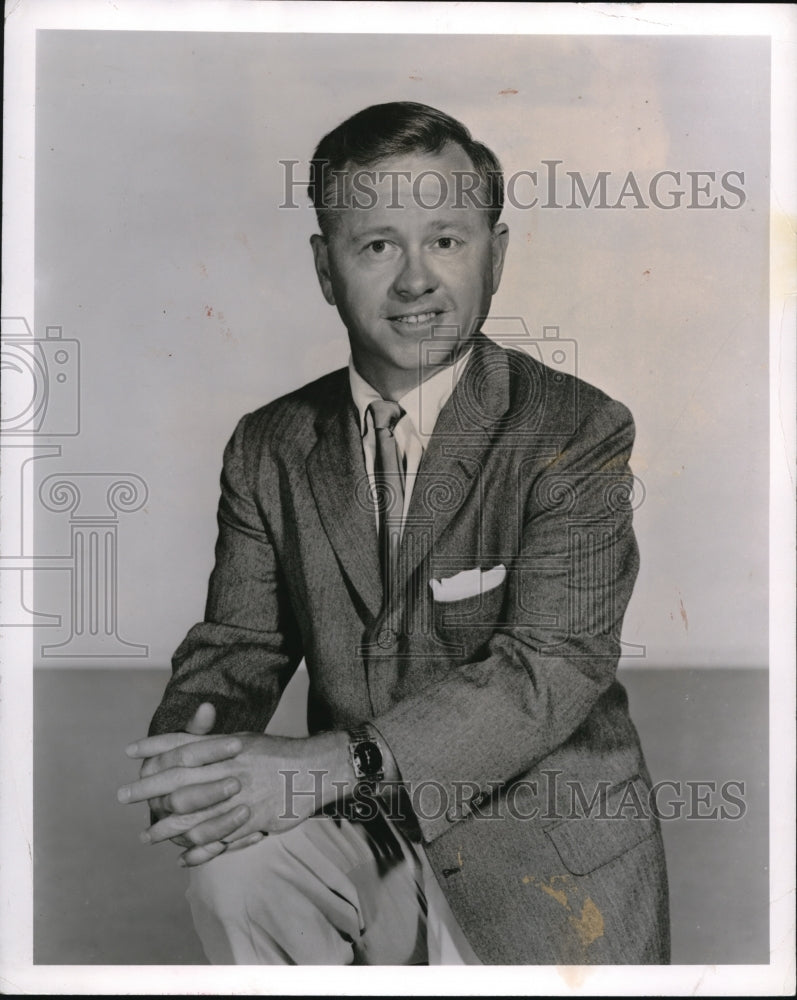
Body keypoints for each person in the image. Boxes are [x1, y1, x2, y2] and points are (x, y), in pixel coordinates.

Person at [118, 101, 670, 965]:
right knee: (234, 876)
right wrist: (197, 761)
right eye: (376, 244)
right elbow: (240, 642)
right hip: (357, 835)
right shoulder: (270, 443)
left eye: (446, 239)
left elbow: (551, 668)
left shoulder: (575, 428)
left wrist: (312, 769)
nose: (416, 278)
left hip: (540, 869)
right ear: (324, 269)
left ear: (497, 252)